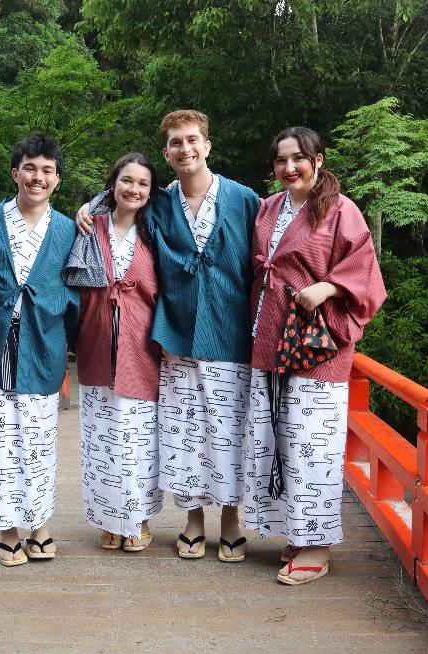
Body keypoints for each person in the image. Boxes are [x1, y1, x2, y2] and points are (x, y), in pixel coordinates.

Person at [79, 111, 262, 562]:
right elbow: (123, 197)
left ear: (208, 144)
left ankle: (232, 521)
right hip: (176, 334)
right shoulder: (161, 202)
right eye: (176, 143)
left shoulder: (243, 199)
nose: (185, 149)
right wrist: (88, 207)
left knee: (229, 431)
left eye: (192, 140)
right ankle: (193, 521)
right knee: (184, 433)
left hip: (229, 333)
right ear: (167, 152)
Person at [243, 127, 385, 584]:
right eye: (280, 161)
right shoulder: (268, 208)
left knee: (313, 445)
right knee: (280, 441)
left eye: (298, 159)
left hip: (315, 345)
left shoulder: (342, 210)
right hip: (269, 341)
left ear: (318, 160)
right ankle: (297, 533)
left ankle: (317, 546)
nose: (289, 168)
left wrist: (325, 286)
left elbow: (365, 268)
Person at [0, 132, 80, 565]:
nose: (38, 178)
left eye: (47, 171)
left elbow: (76, 285)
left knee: (38, 435)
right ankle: (5, 525)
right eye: (30, 169)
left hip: (42, 338)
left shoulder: (69, 227)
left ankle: (39, 522)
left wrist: (57, 311)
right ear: (15, 172)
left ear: (57, 178)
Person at [72, 153, 164, 551]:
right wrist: (89, 205)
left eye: (143, 183)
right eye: (127, 181)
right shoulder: (92, 226)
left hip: (140, 344)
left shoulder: (157, 229)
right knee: (101, 437)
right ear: (113, 184)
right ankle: (110, 518)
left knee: (138, 435)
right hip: (96, 339)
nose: (134, 190)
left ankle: (137, 517)